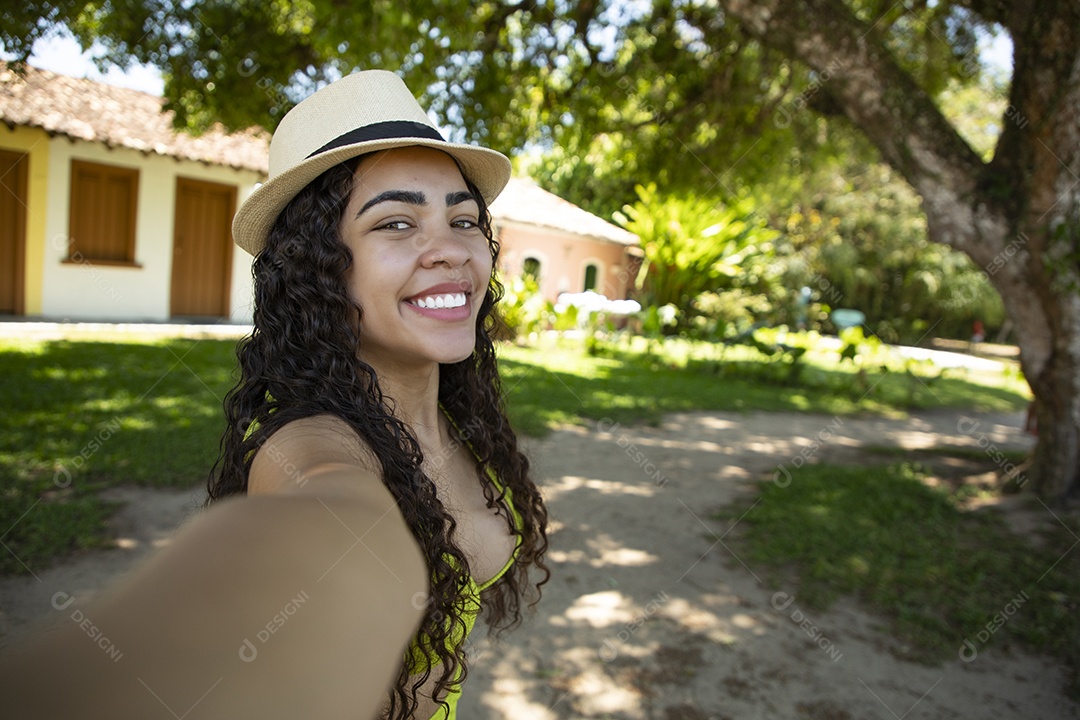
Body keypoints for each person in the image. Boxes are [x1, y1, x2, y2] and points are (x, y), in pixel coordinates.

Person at [0, 70, 549, 720]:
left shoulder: (462, 416)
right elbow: (328, 538)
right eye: (397, 223)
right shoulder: (309, 449)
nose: (451, 250)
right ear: (318, 266)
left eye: (462, 219)